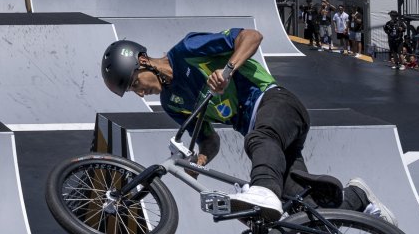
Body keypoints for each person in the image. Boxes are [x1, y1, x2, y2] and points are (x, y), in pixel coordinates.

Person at [100, 32, 396, 223]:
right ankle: (358, 199)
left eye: (135, 83)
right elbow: (209, 140)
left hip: (275, 103)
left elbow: (251, 36)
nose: (140, 93)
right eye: (133, 91)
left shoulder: (186, 50)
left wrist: (228, 70)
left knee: (258, 141)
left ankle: (263, 190)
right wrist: (200, 160)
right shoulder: (171, 102)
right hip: (269, 142)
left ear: (144, 61)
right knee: (302, 209)